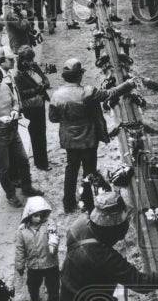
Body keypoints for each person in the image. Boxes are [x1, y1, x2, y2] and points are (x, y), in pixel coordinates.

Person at [48, 58, 133, 213]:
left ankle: (68, 203)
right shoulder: (88, 92)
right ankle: (88, 203)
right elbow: (111, 93)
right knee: (90, 171)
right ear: (79, 76)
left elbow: (53, 119)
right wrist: (129, 84)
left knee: (71, 169)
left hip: (69, 140)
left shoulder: (56, 96)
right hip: (88, 138)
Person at [0, 64, 38, 207]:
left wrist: (15, 110)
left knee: (23, 159)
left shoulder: (4, 87)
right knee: (4, 167)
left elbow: (15, 101)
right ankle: (10, 195)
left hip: (13, 130)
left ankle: (27, 188)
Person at [14, 195, 61, 301]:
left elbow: (53, 235)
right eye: (35, 215)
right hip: (34, 266)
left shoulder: (49, 224)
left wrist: (53, 244)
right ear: (29, 215)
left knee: (53, 288)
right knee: (32, 285)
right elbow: (20, 249)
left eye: (41, 215)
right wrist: (19, 265)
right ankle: (35, 299)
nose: (39, 218)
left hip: (50, 263)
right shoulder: (22, 230)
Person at [12, 45, 51, 171]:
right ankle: (41, 163)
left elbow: (45, 80)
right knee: (35, 134)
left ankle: (43, 159)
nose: (32, 62)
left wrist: (44, 84)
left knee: (42, 132)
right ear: (23, 61)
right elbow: (22, 93)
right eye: (29, 60)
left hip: (39, 103)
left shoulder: (34, 67)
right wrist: (38, 89)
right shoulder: (18, 75)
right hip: (31, 107)